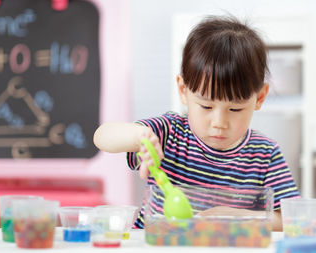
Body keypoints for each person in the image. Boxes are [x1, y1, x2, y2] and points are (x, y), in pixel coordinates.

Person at [93, 15, 300, 231]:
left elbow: (291, 219)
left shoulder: (264, 154)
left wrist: (238, 217)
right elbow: (102, 136)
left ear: (259, 98)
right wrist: (139, 137)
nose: (219, 123)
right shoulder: (168, 134)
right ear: (184, 90)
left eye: (235, 109)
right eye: (206, 107)